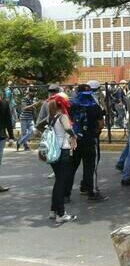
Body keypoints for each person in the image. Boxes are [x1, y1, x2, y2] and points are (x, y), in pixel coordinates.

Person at [68, 84, 108, 202]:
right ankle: (91, 192)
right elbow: (101, 124)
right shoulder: (94, 106)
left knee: (71, 168)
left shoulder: (72, 105)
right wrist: (95, 133)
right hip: (90, 140)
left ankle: (66, 194)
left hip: (75, 140)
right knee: (90, 167)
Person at [45, 94, 78, 223]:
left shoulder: (51, 117)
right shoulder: (62, 116)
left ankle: (53, 211)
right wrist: (73, 136)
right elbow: (67, 128)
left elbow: (38, 126)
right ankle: (61, 213)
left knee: (58, 181)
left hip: (52, 151)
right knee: (61, 182)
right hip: (62, 151)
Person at [0, 93, 15, 193]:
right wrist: (11, 136)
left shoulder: (4, 103)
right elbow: (8, 121)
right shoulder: (4, 103)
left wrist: (11, 136)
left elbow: (9, 121)